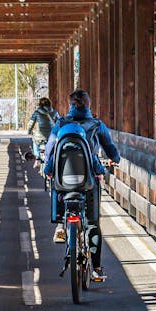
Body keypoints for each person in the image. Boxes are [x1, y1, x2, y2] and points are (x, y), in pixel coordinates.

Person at [42, 89, 121, 282]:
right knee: (93, 224)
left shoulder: (61, 123)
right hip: (89, 181)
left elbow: (50, 150)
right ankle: (97, 268)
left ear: (69, 105)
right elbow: (110, 148)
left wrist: (47, 167)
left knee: (55, 183)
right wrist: (115, 159)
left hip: (64, 183)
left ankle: (60, 224)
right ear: (89, 104)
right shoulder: (96, 124)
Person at [27, 97, 60, 162]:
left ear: (40, 104)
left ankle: (37, 157)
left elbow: (31, 123)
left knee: (34, 141)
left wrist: (29, 131)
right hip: (51, 137)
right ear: (49, 104)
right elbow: (59, 123)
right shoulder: (54, 112)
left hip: (39, 138)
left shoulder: (37, 112)